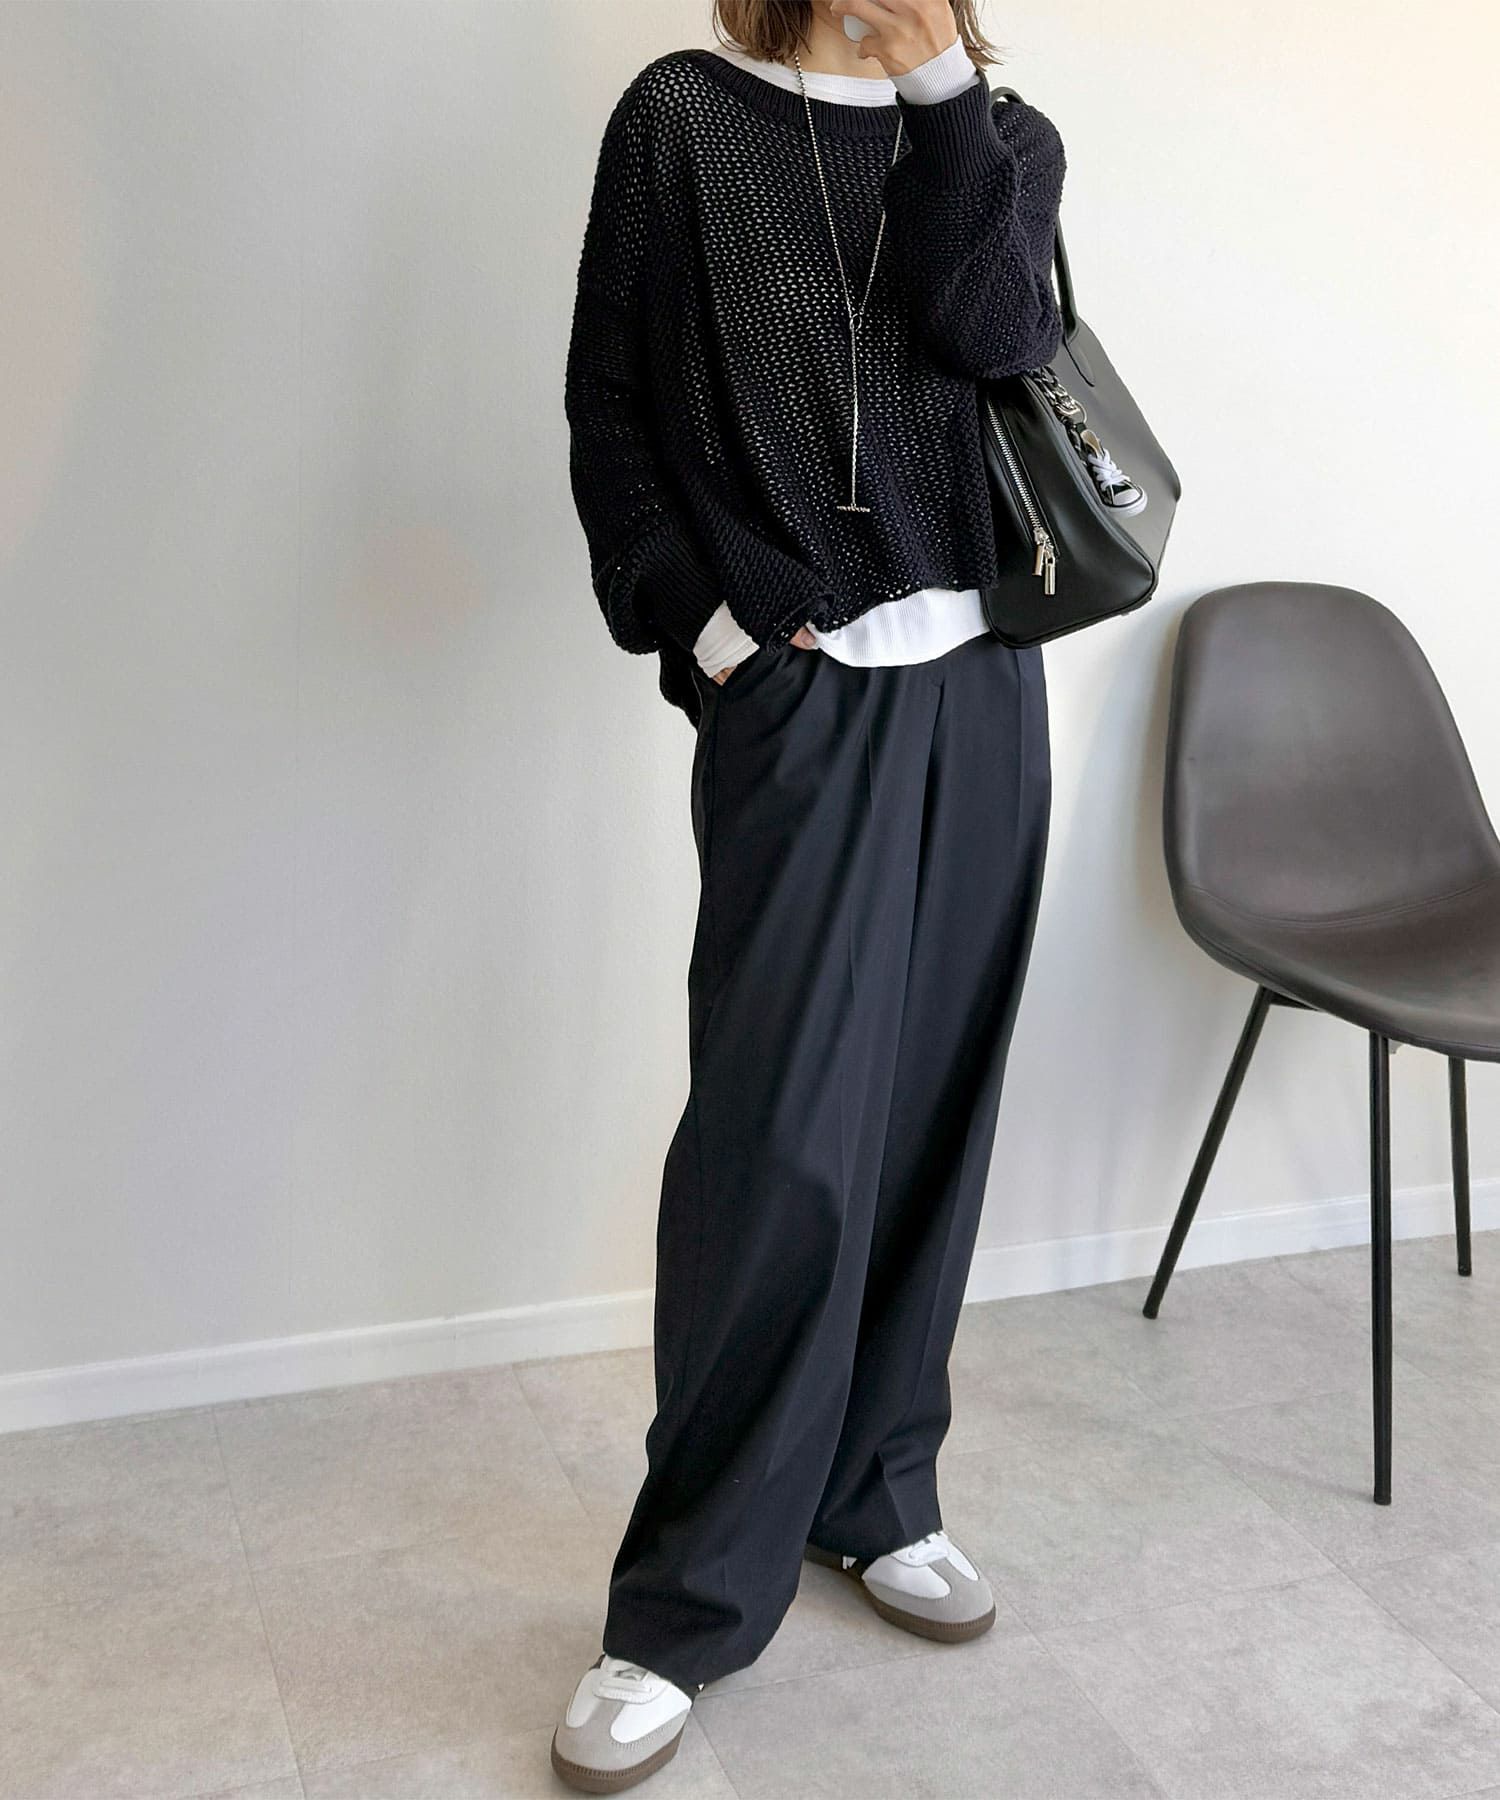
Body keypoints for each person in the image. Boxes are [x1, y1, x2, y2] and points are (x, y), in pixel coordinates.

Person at [557, 0, 1064, 1786]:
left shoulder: (998, 136)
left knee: (933, 1111)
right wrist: (710, 635)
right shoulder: (684, 119)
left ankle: (880, 1492)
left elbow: (999, 336)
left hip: (985, 687)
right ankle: (685, 1604)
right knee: (777, 1144)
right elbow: (611, 409)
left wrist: (939, 90)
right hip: (801, 697)